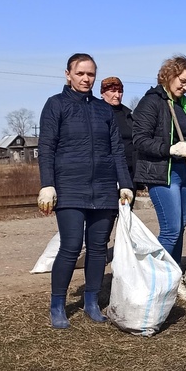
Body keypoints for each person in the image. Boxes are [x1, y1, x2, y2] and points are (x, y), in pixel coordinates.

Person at [38, 54, 134, 329]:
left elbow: (117, 149)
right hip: (69, 187)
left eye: (90, 74)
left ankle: (91, 301)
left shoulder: (103, 110)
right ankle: (58, 304)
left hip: (103, 188)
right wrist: (47, 184)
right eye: (80, 73)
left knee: (97, 249)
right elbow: (46, 147)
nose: (85, 79)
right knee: (69, 247)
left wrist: (124, 183)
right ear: (68, 74)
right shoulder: (56, 105)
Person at [133, 55, 186, 300]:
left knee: (179, 229)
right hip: (163, 173)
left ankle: (174, 278)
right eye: (182, 81)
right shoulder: (152, 102)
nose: (185, 87)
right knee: (170, 229)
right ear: (169, 74)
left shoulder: (185, 106)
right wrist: (169, 149)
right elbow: (140, 140)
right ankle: (157, 279)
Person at [99, 76, 137, 188]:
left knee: (127, 205)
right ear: (103, 93)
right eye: (112, 91)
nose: (117, 95)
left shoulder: (128, 115)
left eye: (120, 91)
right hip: (106, 171)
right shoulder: (97, 112)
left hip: (129, 171)